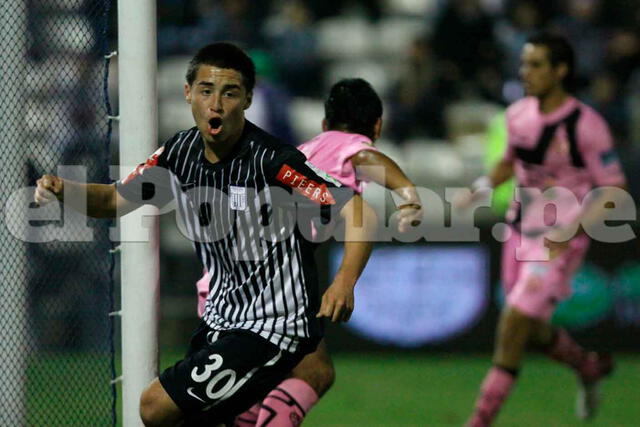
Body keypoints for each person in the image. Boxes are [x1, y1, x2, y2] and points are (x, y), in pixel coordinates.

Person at [34, 42, 377, 426]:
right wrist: (65, 189)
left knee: (156, 407)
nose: (216, 104)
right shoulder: (177, 154)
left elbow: (356, 209)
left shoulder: (275, 162)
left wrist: (345, 280)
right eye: (205, 90)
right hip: (220, 320)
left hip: (272, 327)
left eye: (229, 93)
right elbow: (114, 200)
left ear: (247, 99)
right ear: (187, 93)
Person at [192, 78, 422, 426]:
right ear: (377, 126)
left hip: (222, 284)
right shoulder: (347, 150)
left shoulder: (302, 150)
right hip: (259, 291)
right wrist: (407, 193)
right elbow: (363, 157)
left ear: (324, 124)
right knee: (314, 372)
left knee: (257, 393)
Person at [458, 33, 626, 426]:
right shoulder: (518, 115)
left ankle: (480, 419)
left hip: (558, 239)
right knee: (531, 329)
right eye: (523, 64)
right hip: (518, 229)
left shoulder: (587, 125)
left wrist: (573, 229)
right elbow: (509, 164)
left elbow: (614, 189)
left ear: (560, 70)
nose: (525, 73)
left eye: (535, 65)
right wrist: (483, 187)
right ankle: (586, 366)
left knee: (513, 322)